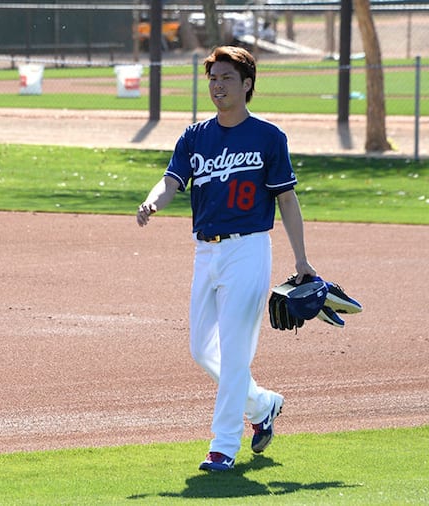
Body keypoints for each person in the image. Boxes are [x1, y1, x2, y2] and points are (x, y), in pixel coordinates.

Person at [136, 46, 317, 472]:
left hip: (249, 249)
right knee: (202, 350)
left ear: (247, 85)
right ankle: (262, 404)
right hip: (206, 250)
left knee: (235, 350)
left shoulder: (268, 138)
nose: (218, 86)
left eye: (227, 79)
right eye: (213, 78)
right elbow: (171, 181)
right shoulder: (195, 136)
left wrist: (302, 259)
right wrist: (152, 202)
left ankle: (223, 446)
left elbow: (287, 200)